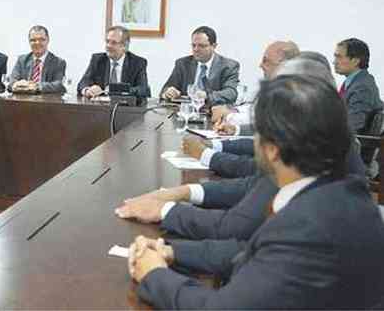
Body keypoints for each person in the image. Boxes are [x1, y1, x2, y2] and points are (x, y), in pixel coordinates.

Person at [128, 75, 384, 309]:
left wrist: (154, 274)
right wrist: (173, 252)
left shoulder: (307, 229)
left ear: (271, 149)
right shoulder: (343, 193)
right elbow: (252, 251)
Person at [210, 40, 300, 129]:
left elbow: (262, 120)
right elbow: (254, 108)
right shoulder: (274, 87)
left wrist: (227, 115)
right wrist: (232, 110)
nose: (260, 65)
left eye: (266, 61)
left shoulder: (292, 92)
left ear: (283, 66)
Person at [161, 26, 240, 105]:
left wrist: (206, 96)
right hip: (185, 112)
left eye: (201, 46)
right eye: (193, 45)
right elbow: (166, 88)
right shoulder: (182, 64)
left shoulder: (229, 66)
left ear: (214, 46)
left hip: (213, 113)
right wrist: (168, 92)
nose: (196, 49)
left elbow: (231, 93)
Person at [77, 26, 150, 98]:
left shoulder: (138, 63)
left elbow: (143, 89)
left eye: (114, 43)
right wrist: (88, 90)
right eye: (107, 41)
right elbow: (83, 83)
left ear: (124, 46)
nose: (108, 46)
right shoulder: (98, 60)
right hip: (101, 107)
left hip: (126, 108)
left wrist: (115, 89)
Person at [333, 38, 383, 133]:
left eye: (339, 57)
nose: (334, 62)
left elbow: (355, 124)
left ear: (355, 61)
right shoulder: (355, 82)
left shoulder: (362, 87)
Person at [9, 25, 66, 94]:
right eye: (33, 40)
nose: (37, 43)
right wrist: (19, 85)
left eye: (41, 39)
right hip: (23, 101)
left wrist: (36, 86)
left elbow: (59, 85)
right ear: (29, 42)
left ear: (48, 40)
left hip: (47, 102)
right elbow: (12, 82)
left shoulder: (58, 62)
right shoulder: (22, 60)